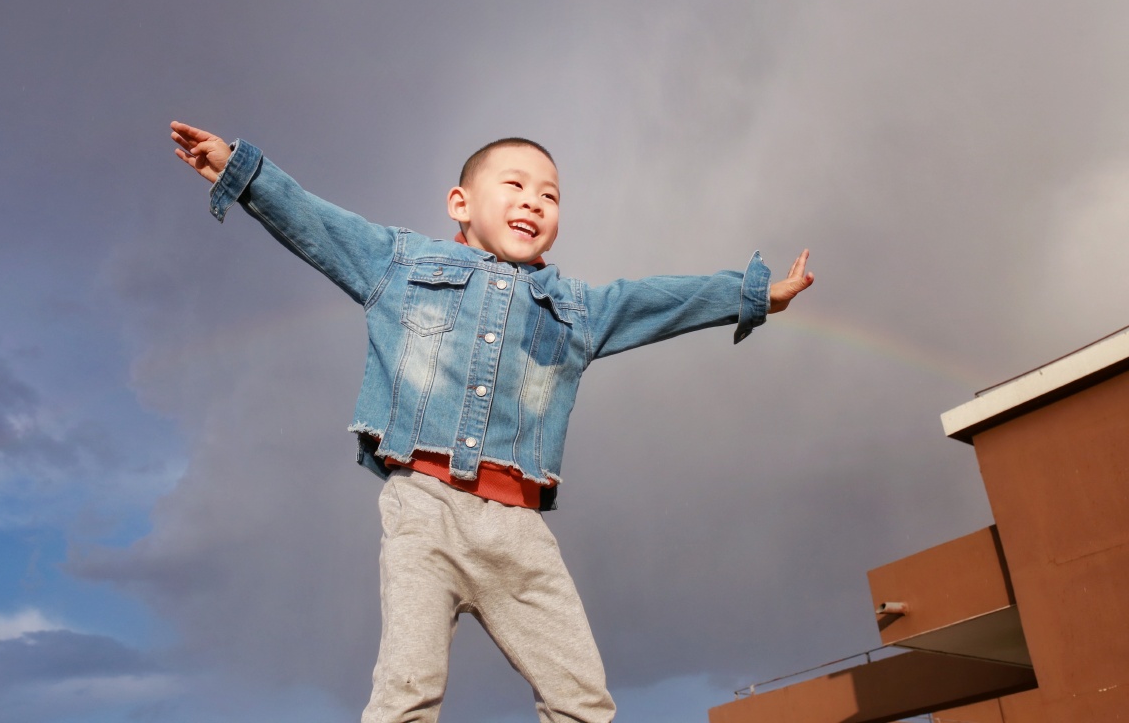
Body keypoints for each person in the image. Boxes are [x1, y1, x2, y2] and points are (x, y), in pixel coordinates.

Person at [170, 120, 813, 722]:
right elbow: (318, 222)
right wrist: (241, 171)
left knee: (583, 703)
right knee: (407, 690)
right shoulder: (399, 263)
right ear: (460, 203)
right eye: (515, 185)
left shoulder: (578, 310)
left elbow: (658, 299)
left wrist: (752, 294)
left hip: (519, 533)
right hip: (423, 512)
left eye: (550, 196)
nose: (534, 202)